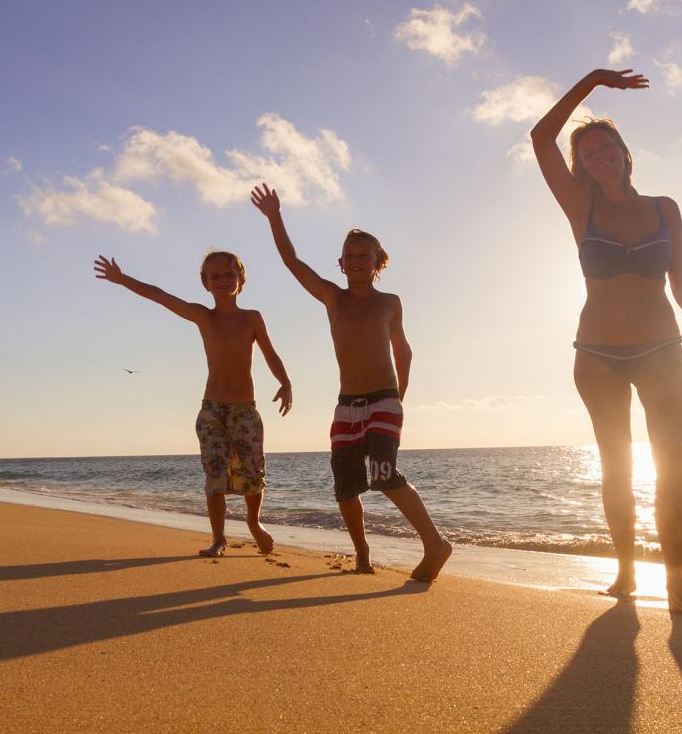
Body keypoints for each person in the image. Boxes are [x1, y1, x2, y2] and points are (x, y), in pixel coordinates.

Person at [530, 68, 682, 620]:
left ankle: (676, 587)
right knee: (615, 465)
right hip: (596, 355)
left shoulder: (665, 209)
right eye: (589, 150)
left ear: (625, 151)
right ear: (581, 164)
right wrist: (592, 81)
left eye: (607, 145)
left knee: (674, 465)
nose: (599, 154)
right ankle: (624, 570)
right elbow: (539, 138)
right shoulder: (581, 208)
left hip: (662, 348)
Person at [250, 184, 452, 581]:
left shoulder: (389, 302)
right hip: (346, 404)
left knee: (385, 474)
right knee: (345, 485)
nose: (357, 260)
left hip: (383, 400)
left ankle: (435, 544)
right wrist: (275, 217)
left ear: (379, 262)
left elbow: (404, 350)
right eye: (350, 255)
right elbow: (292, 261)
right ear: (340, 263)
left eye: (365, 254)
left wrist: (399, 398)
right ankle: (361, 553)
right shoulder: (333, 298)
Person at [93, 250, 292, 558]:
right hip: (212, 409)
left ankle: (254, 522)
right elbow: (160, 296)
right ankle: (218, 538)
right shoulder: (203, 316)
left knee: (253, 475)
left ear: (241, 279)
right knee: (215, 475)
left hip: (244, 410)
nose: (223, 281)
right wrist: (122, 280)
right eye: (215, 276)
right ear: (205, 282)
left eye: (229, 275)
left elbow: (271, 354)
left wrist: (285, 381)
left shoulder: (251, 318)